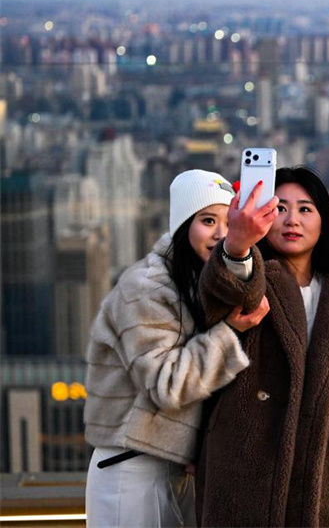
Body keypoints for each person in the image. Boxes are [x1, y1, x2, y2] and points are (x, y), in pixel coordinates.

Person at [195, 166, 329, 527]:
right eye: (279, 208)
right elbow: (226, 291)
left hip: (322, 480)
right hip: (241, 471)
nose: (292, 219)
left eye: (305, 209)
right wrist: (238, 245)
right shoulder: (250, 277)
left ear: (324, 221)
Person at [84, 169, 270, 527]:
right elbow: (167, 384)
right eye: (207, 220)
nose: (221, 233)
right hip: (130, 469)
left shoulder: (194, 283)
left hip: (176, 470)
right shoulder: (146, 288)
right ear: (183, 225)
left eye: (228, 221)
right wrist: (229, 332)